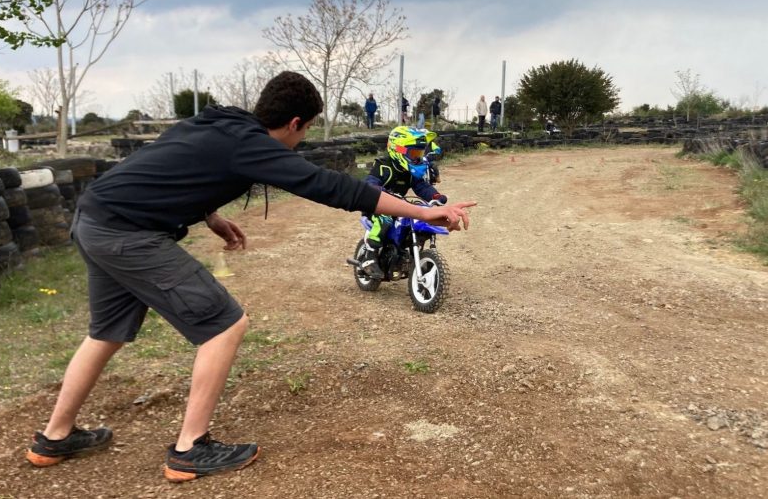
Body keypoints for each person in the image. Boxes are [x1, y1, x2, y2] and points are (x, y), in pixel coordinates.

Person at [24, 71, 475, 482]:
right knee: (224, 324)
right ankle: (189, 450)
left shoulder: (219, 123)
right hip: (128, 232)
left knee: (106, 332)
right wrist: (423, 210)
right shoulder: (254, 145)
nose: (302, 141)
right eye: (307, 131)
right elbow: (335, 188)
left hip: (95, 218)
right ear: (296, 122)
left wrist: (210, 216)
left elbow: (172, 167)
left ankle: (55, 437)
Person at [359, 126, 448, 279]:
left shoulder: (409, 171)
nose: (417, 158)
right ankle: (369, 257)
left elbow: (421, 186)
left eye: (419, 154)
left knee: (417, 217)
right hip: (377, 206)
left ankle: (406, 255)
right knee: (384, 220)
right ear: (398, 149)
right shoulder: (383, 165)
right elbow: (370, 182)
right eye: (413, 153)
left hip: (399, 207)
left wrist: (435, 196)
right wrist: (377, 189)